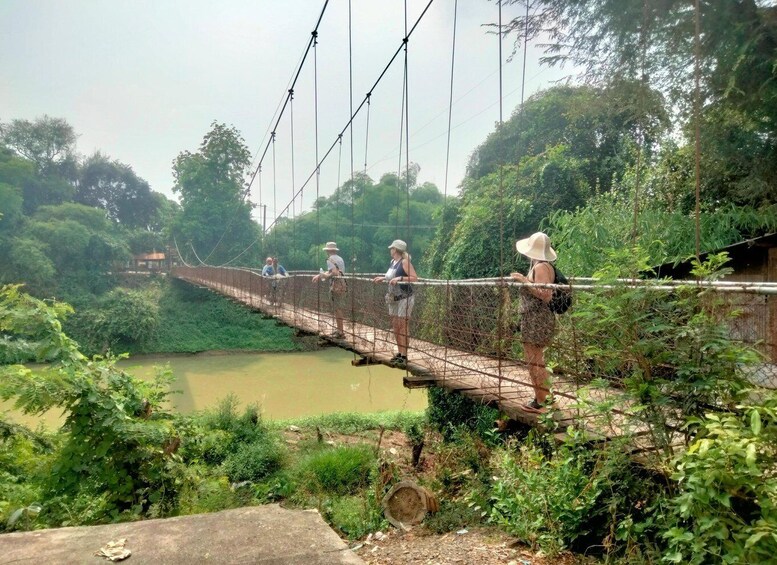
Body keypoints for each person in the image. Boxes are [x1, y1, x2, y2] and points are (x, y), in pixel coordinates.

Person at [510, 232, 557, 413]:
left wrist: (524, 280)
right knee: (536, 359)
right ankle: (545, 396)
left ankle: (541, 401)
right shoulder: (542, 266)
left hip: (537, 319)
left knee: (534, 360)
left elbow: (545, 295)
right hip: (536, 318)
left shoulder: (541, 267)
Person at [372, 239, 417, 366]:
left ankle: (404, 355)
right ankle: (399, 352)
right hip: (393, 298)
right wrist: (382, 278)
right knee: (396, 326)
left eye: (391, 248)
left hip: (405, 298)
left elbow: (414, 278)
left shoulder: (404, 262)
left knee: (403, 326)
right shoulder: (393, 262)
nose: (390, 250)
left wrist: (400, 278)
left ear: (395, 250)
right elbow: (390, 276)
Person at [312, 241, 346, 339]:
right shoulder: (340, 258)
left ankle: (341, 331)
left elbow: (334, 272)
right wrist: (319, 275)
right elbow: (336, 271)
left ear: (329, 250)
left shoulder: (330, 259)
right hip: (342, 284)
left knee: (337, 308)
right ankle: (340, 330)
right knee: (337, 307)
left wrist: (325, 276)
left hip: (335, 285)